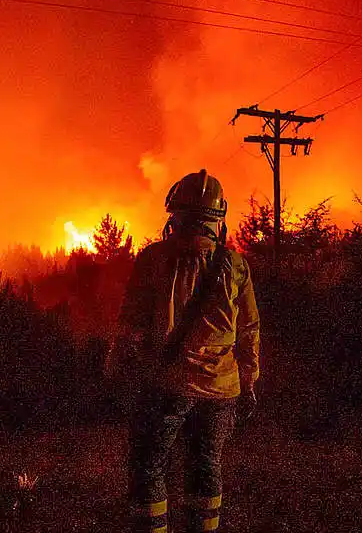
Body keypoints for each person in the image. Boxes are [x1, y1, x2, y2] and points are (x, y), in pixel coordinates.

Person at [121, 169, 261, 533]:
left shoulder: (153, 259)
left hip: (167, 384)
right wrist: (248, 380)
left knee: (150, 465)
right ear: (218, 218)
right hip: (222, 389)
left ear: (175, 215)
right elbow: (249, 330)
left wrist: (120, 367)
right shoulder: (236, 266)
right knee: (206, 464)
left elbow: (130, 325)